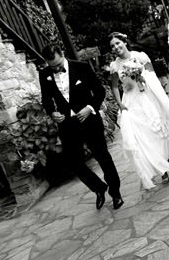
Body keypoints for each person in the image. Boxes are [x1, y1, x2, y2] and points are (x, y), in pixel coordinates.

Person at [39, 44, 124, 210]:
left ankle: (116, 193)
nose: (56, 68)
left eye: (58, 64)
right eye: (52, 66)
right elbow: (46, 100)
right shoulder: (44, 74)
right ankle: (98, 188)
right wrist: (52, 113)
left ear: (62, 54)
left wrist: (90, 108)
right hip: (67, 124)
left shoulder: (82, 67)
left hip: (89, 120)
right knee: (74, 163)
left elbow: (99, 91)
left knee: (103, 158)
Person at [108, 32, 169, 190]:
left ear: (125, 42)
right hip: (131, 102)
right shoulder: (114, 66)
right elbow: (114, 86)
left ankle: (168, 158)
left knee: (157, 131)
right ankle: (161, 169)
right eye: (112, 46)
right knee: (144, 136)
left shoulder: (140, 56)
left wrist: (141, 76)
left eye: (118, 43)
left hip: (148, 97)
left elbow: (152, 76)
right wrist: (119, 103)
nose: (116, 47)